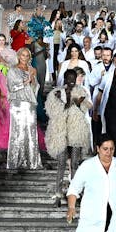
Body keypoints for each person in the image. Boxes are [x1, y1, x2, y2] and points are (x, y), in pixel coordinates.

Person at [46, 68, 92, 204]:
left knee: (75, 164)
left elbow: (85, 107)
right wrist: (65, 103)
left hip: (76, 132)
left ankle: (75, 193)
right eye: (69, 78)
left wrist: (77, 103)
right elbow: (51, 111)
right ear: (65, 79)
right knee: (61, 163)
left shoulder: (81, 91)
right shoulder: (55, 93)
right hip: (60, 133)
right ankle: (58, 194)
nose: (71, 81)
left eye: (73, 78)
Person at [6, 47, 42, 170]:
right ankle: (15, 160)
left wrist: (32, 81)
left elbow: (36, 87)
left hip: (29, 103)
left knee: (30, 131)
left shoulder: (32, 70)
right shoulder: (13, 70)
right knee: (17, 131)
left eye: (27, 56)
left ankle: (31, 160)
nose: (25, 58)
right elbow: (11, 87)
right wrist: (27, 80)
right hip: (17, 104)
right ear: (18, 56)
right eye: (23, 55)